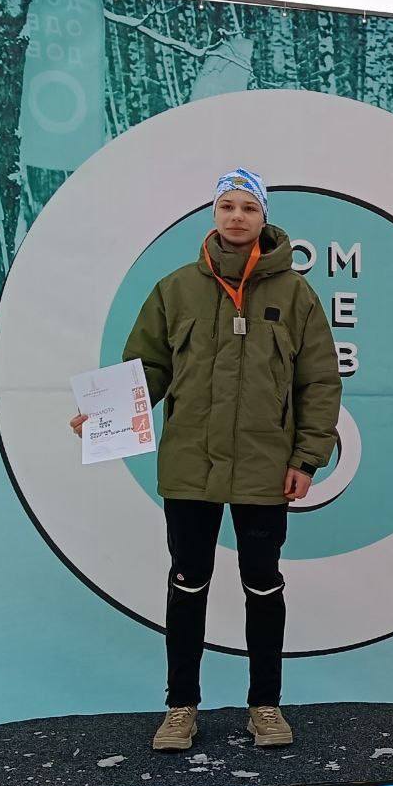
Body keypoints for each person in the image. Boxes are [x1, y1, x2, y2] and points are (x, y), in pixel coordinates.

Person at [69, 169, 342, 751]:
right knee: (188, 582)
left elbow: (318, 382)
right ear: (213, 215)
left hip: (266, 468)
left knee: (263, 584)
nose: (237, 216)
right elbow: (147, 369)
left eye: (248, 206)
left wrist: (307, 457)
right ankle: (181, 707)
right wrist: (104, 413)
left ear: (264, 217)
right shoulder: (175, 290)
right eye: (227, 206)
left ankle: (265, 706)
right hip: (191, 465)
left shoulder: (296, 295)